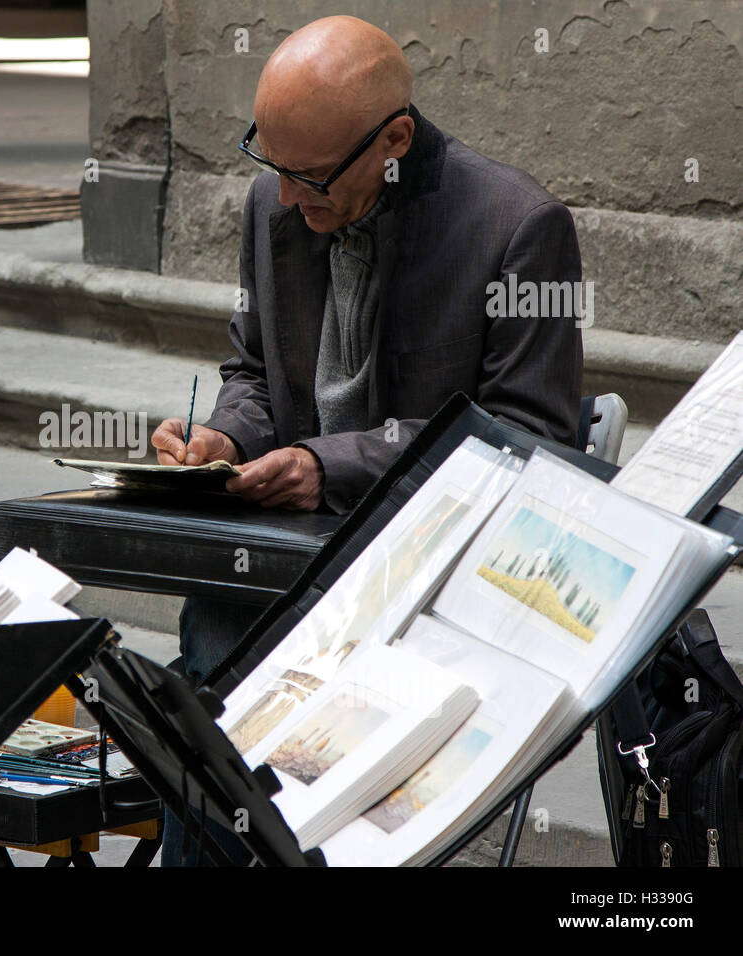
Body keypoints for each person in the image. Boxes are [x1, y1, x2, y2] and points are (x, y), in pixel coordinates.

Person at [151, 15, 584, 865]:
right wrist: (224, 440)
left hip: (428, 574)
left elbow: (532, 442)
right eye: (267, 164)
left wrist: (328, 465)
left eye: (307, 176)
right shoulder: (273, 205)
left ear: (393, 139)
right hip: (284, 562)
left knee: (234, 672)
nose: (284, 197)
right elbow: (252, 376)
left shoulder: (518, 228)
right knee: (204, 669)